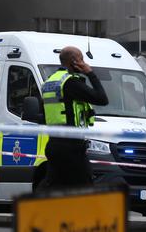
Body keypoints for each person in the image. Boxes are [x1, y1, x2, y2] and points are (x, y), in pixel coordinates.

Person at [41, 46, 109, 189]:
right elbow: (102, 99)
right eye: (82, 59)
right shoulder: (70, 83)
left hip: (54, 144)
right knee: (85, 187)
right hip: (71, 147)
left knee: (55, 188)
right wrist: (90, 73)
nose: (84, 63)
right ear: (74, 62)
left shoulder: (50, 83)